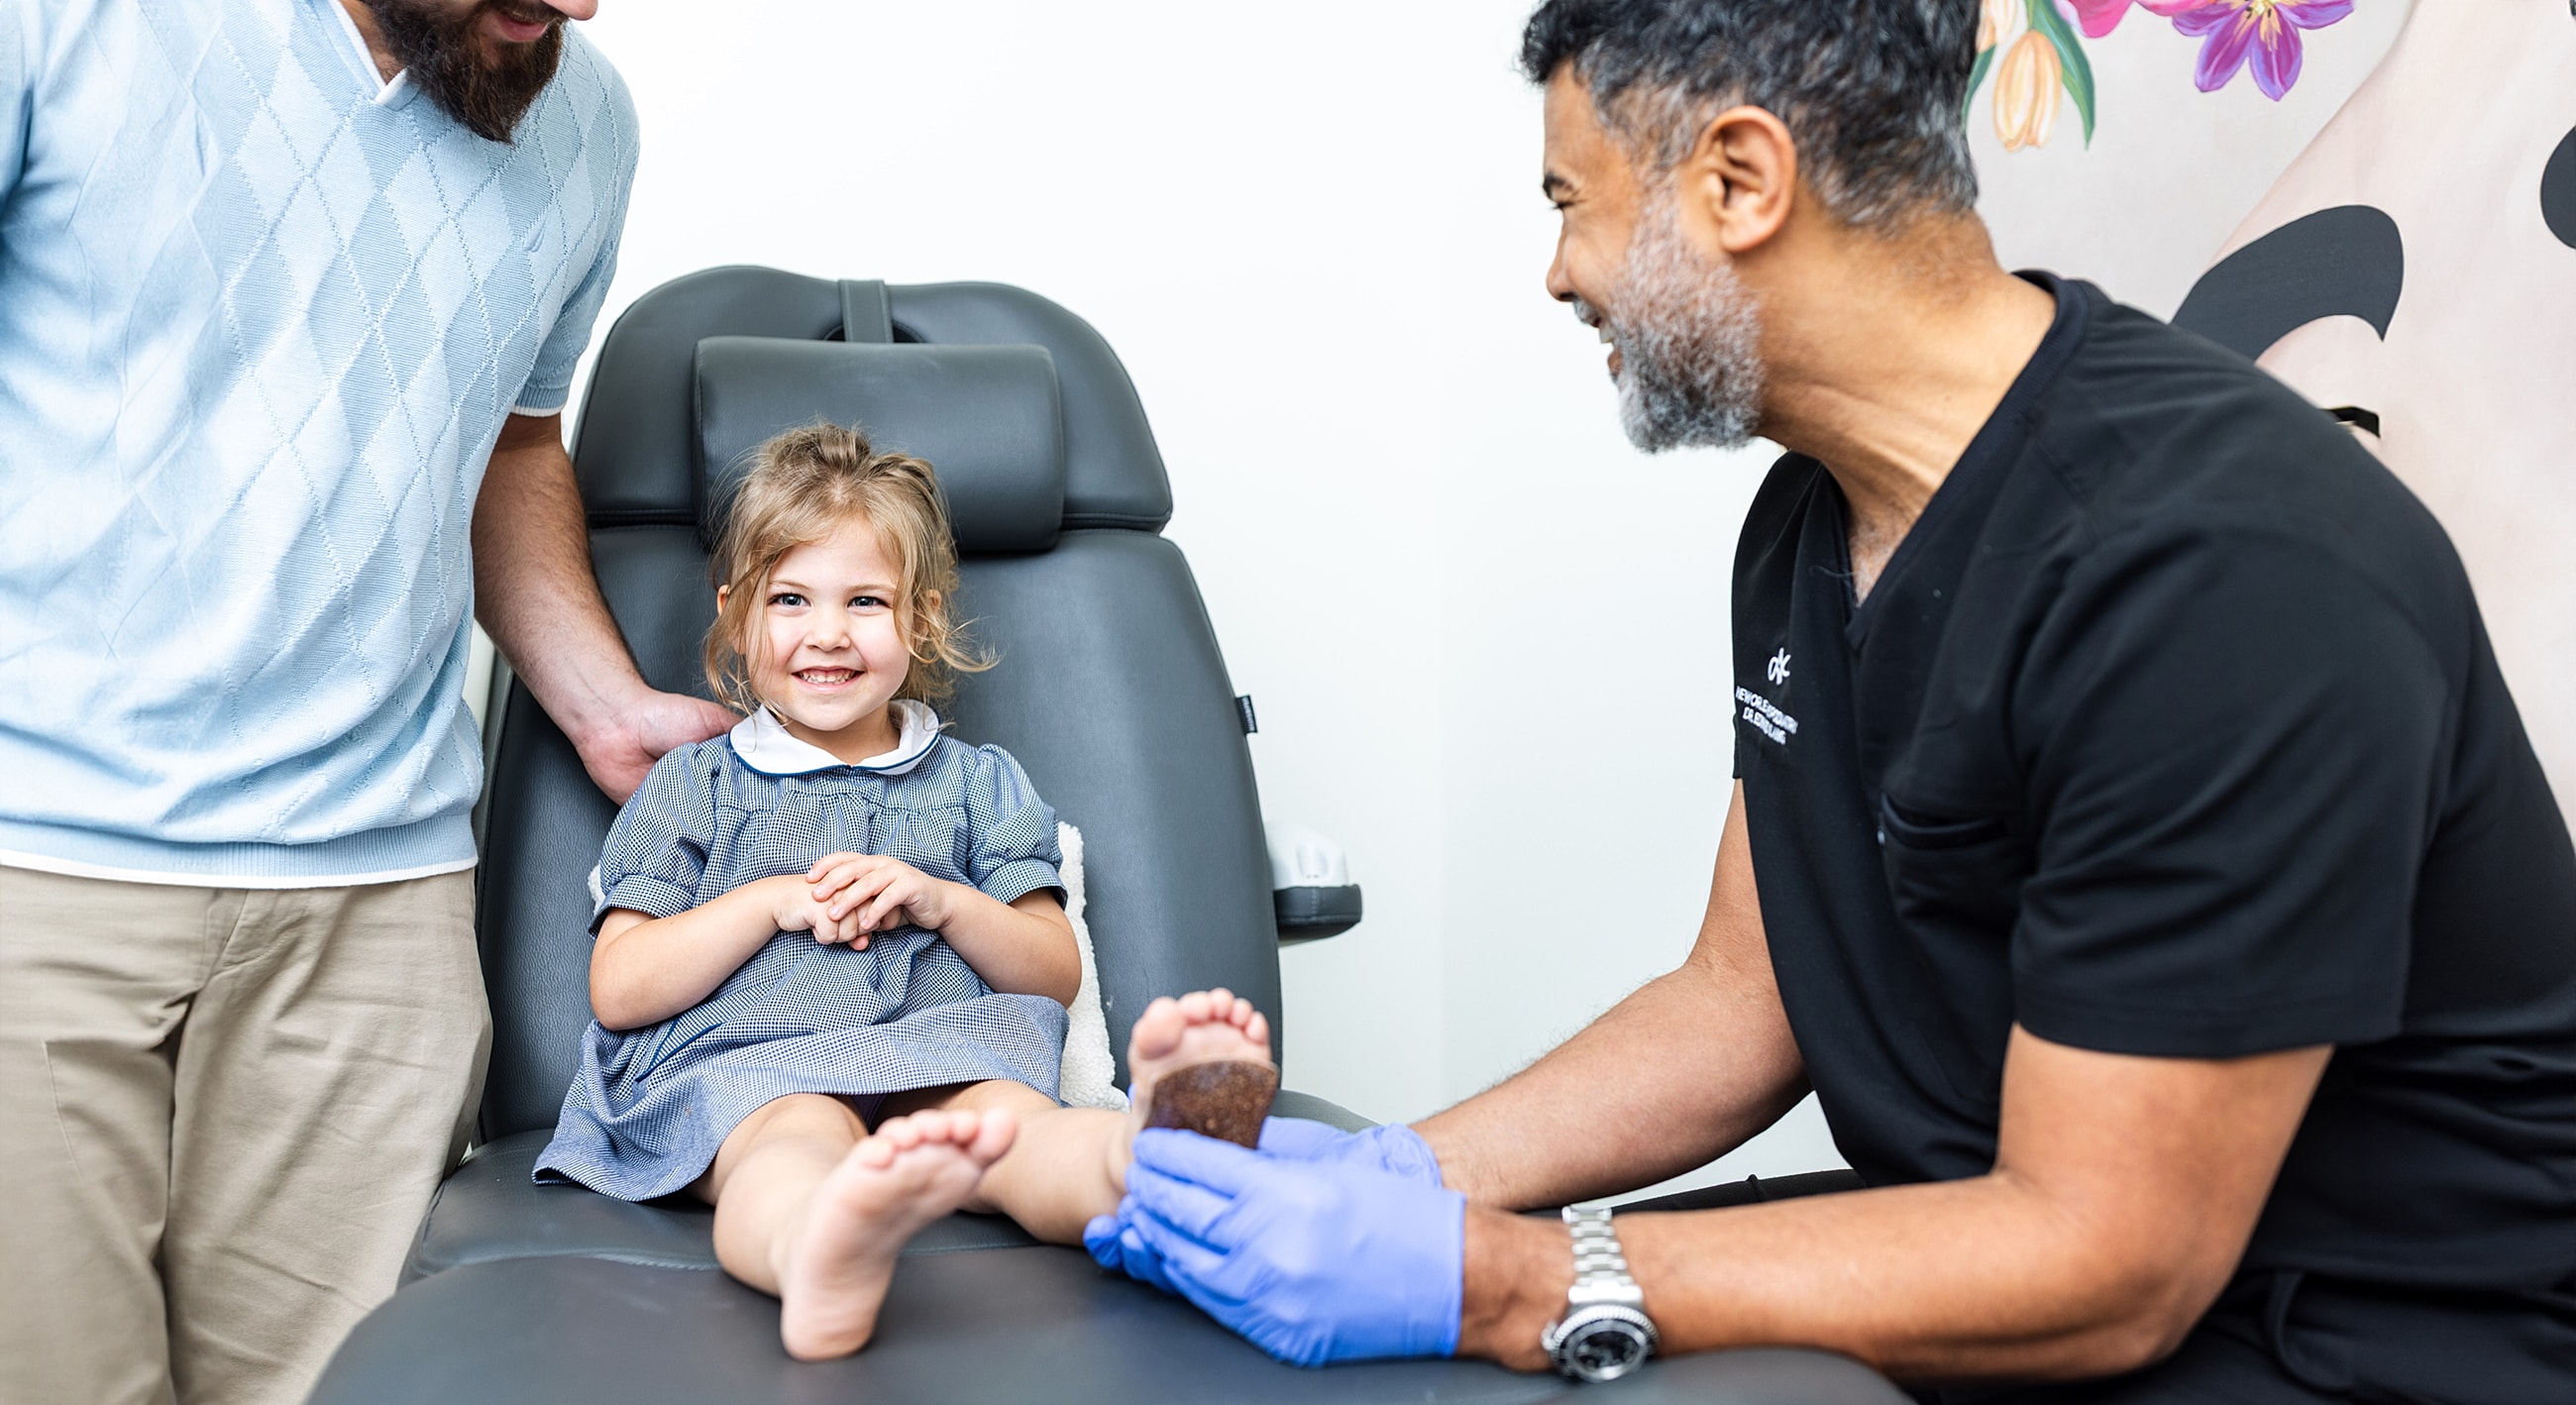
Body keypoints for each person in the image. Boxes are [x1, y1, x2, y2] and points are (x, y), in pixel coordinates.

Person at [1085, 2, 2576, 1399]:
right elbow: (1746, 999)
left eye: (1569, 201)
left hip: (2354, 1337)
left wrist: (1512, 1278)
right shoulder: (1812, 521)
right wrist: (1398, 1177)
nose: (1557, 272)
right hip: (2006, 1234)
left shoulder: (2224, 563)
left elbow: (2118, 1262)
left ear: (1740, 178)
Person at [0, 3, 729, 1403]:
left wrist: (599, 704)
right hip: (44, 862)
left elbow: (510, 442)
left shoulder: (584, 119)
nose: (577, 5)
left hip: (376, 906)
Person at [534, 422, 1280, 1360]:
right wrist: (767, 903)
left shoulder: (976, 782)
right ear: (735, 613)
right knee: (794, 1145)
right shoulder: (695, 784)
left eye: (867, 602)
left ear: (919, 619)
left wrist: (941, 900)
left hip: (948, 1055)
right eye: (792, 599)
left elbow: (1050, 971)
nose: (829, 633)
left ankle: (1145, 1164)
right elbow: (621, 985)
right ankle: (815, 1243)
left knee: (1015, 1129)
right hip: (760, 1069)